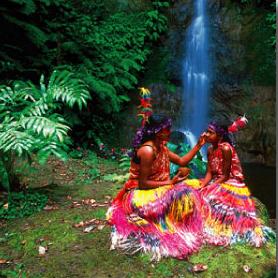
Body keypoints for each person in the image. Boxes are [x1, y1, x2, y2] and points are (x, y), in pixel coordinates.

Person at [106, 114, 206, 260]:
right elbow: (143, 184)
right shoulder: (148, 151)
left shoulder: (162, 147)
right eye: (166, 129)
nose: (169, 132)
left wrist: (199, 145)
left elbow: (181, 160)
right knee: (182, 194)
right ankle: (173, 227)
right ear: (157, 131)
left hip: (159, 188)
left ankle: (179, 223)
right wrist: (171, 183)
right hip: (139, 193)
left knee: (195, 186)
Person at [186, 117, 275, 246]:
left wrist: (210, 187)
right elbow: (210, 172)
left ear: (220, 135)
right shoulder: (210, 149)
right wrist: (203, 185)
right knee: (192, 188)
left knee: (209, 198)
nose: (206, 134)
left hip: (231, 181)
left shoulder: (226, 148)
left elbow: (226, 175)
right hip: (218, 180)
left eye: (210, 132)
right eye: (207, 131)